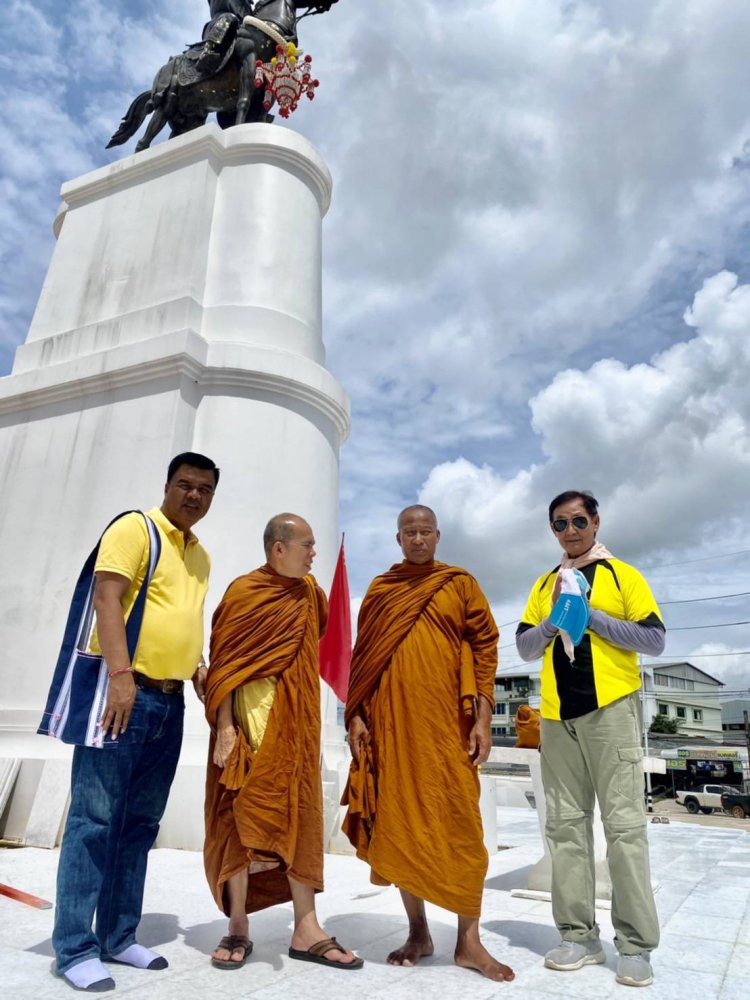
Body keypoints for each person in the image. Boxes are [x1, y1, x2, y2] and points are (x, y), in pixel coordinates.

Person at [52, 452, 219, 993]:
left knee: (140, 825)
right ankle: (74, 948)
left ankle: (118, 935)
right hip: (124, 695)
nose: (194, 496)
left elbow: (181, 618)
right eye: (185, 485)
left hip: (170, 704)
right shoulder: (135, 529)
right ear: (167, 485)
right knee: (94, 822)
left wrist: (196, 666)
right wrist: (121, 675)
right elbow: (107, 597)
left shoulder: (200, 555)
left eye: (205, 489)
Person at [343, 505, 515, 983]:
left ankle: (469, 941)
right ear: (398, 539)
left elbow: (485, 647)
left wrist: (483, 718)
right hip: (391, 726)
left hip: (448, 728)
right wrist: (354, 713)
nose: (417, 539)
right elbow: (364, 657)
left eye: (425, 532)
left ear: (438, 536)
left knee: (462, 827)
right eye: (409, 532)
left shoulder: (459, 584)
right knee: (400, 825)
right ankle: (418, 932)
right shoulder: (381, 590)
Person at [515, 490, 665, 988]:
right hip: (558, 718)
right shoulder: (544, 584)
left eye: (579, 520)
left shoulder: (623, 576)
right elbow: (525, 646)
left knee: (624, 829)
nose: (571, 531)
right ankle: (578, 937)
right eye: (560, 523)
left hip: (612, 710)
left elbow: (654, 639)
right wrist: (555, 619)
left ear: (596, 522)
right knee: (564, 829)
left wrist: (591, 616)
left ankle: (636, 945)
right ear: (552, 530)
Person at [203, 513, 363, 971]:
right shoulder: (243, 593)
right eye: (307, 545)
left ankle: (306, 928)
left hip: (296, 728)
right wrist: (226, 727)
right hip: (247, 729)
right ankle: (238, 924)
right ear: (279, 548)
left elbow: (311, 643)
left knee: (300, 817)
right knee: (236, 818)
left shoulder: (311, 594)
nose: (314, 553)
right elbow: (224, 664)